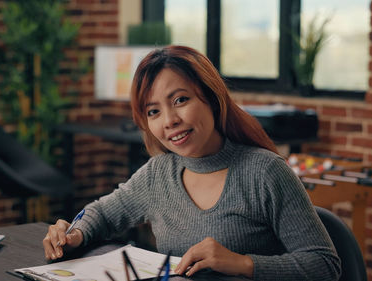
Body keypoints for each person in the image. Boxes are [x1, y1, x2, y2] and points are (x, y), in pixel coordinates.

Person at [42, 45, 341, 280]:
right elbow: (103, 214)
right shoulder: (158, 175)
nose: (170, 121)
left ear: (211, 98)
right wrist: (74, 234)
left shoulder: (265, 172)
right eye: (153, 111)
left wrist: (242, 264)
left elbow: (324, 265)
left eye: (180, 100)